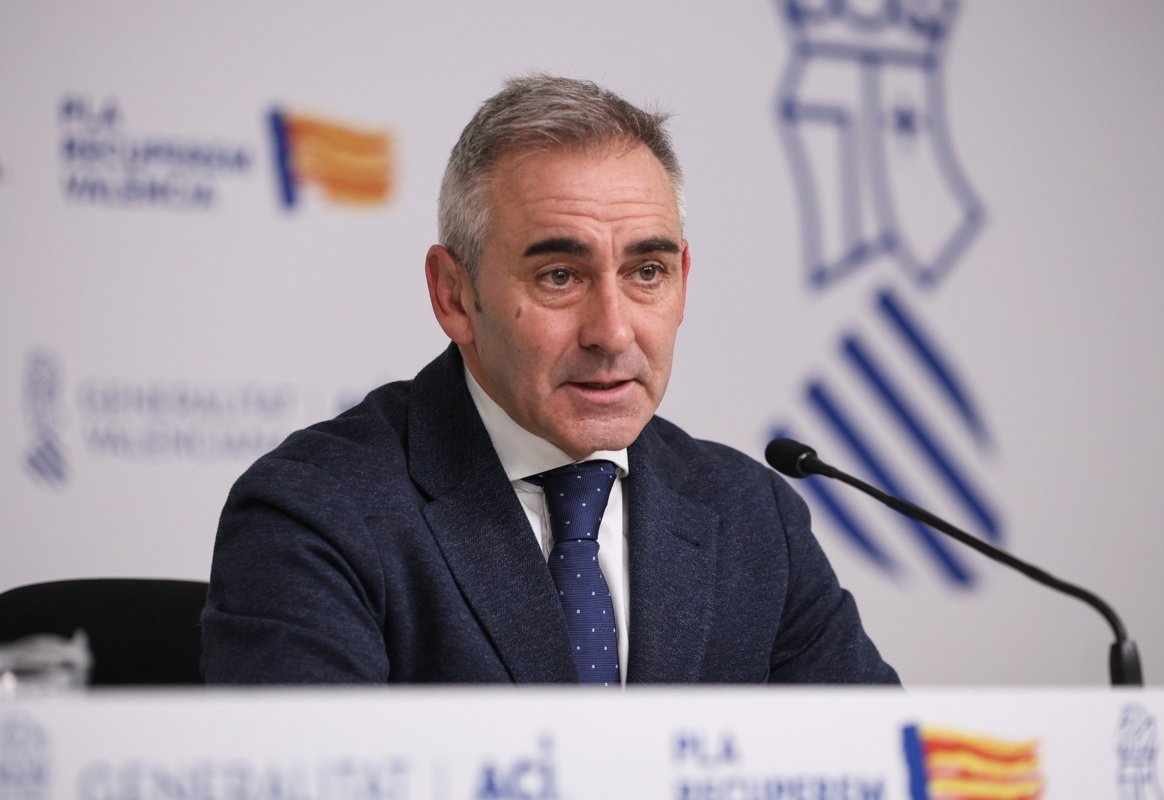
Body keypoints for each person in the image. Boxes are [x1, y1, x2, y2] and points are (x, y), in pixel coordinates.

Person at [201, 74, 898, 685]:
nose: (613, 333)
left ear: (683, 281)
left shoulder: (752, 517)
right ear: (454, 295)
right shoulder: (318, 512)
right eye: (559, 276)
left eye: (646, 272)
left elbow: (877, 761)